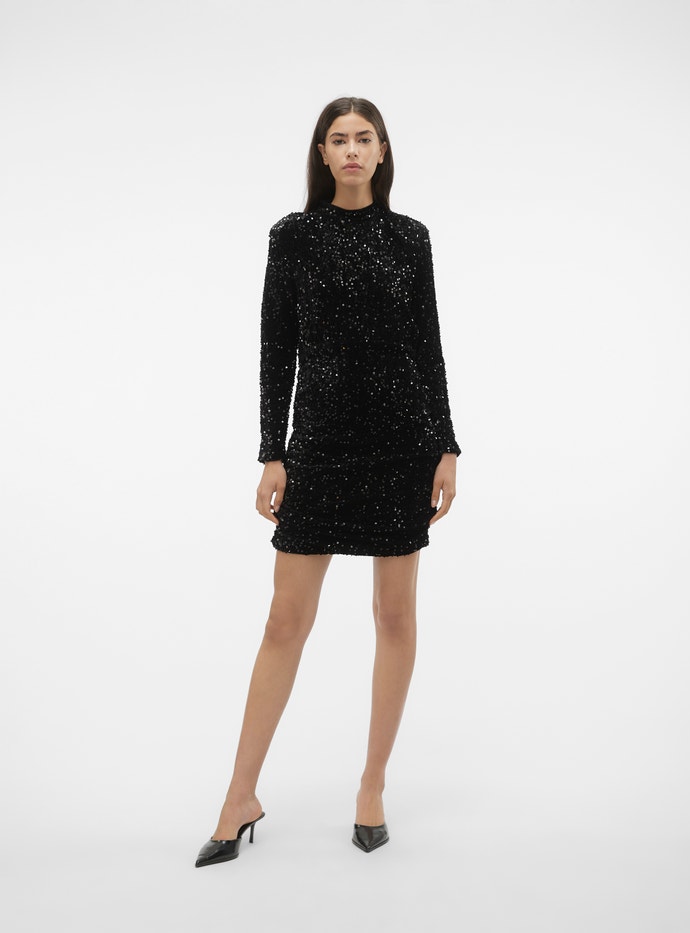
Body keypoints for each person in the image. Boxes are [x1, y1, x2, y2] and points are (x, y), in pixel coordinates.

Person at [195, 96, 460, 867]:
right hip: (318, 446)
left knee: (394, 615)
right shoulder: (294, 236)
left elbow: (427, 346)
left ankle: (372, 785)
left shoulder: (411, 238)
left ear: (382, 151)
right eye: (337, 138)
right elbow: (276, 347)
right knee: (285, 620)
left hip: (400, 446)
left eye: (363, 138)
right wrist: (271, 452)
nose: (350, 149)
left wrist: (445, 445)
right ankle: (239, 794)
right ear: (321, 153)